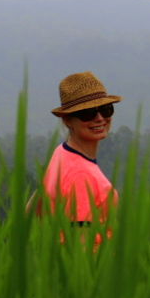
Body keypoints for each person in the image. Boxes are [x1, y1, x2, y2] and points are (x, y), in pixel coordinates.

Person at [31, 71, 121, 246]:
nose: (100, 118)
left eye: (105, 110)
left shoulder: (61, 154)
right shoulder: (81, 174)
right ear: (67, 120)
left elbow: (32, 212)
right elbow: (81, 255)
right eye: (87, 113)